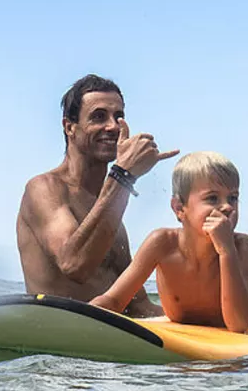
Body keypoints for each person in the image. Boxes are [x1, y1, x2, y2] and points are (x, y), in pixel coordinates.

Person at [16, 75, 177, 317]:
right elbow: (75, 265)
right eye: (98, 116)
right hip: (58, 343)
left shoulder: (111, 220)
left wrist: (202, 320)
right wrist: (124, 174)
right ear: (69, 127)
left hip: (106, 343)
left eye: (118, 116)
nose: (112, 126)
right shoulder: (44, 188)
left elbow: (140, 307)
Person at [91, 151, 248, 332]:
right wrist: (74, 318)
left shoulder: (241, 247)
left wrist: (226, 251)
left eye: (233, 198)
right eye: (212, 198)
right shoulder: (162, 244)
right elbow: (114, 301)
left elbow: (239, 325)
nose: (227, 206)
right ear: (179, 209)